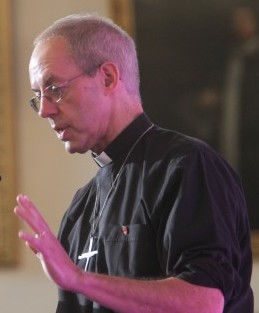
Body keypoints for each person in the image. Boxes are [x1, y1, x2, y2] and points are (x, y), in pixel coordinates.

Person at [14, 13, 253, 313]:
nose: (44, 111)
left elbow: (203, 304)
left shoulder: (188, 167)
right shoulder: (79, 209)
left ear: (108, 77)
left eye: (55, 89)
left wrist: (79, 278)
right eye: (38, 96)